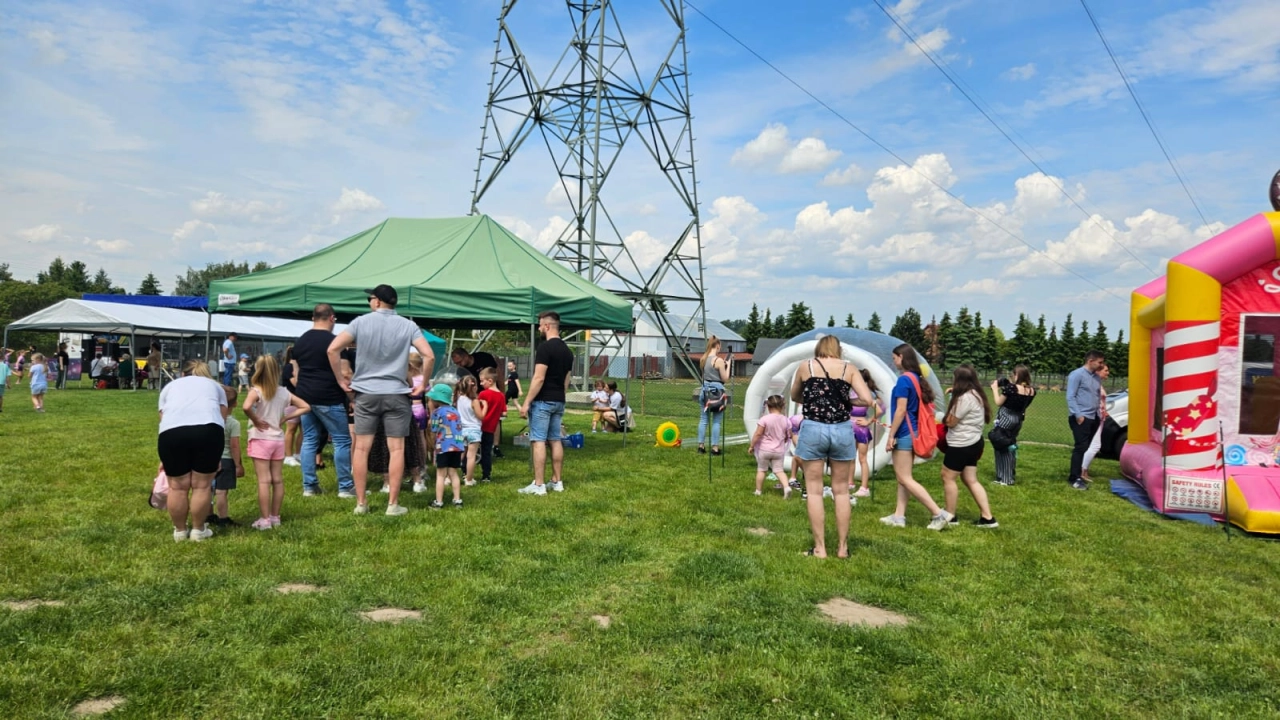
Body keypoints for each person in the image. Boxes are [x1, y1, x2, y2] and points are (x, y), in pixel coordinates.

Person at [327, 284, 435, 516]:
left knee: (361, 449)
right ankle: (393, 504)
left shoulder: (360, 322)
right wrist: (423, 384)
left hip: (365, 394)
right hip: (397, 394)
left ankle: (361, 503)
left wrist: (340, 380)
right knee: (396, 449)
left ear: (377, 302)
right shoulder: (408, 325)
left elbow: (332, 349)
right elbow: (429, 355)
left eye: (370, 299)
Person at [790, 335, 876, 558]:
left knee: (815, 491)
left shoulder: (806, 366)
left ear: (818, 348)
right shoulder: (849, 368)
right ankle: (842, 548)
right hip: (841, 429)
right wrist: (848, 401)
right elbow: (867, 399)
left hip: (813, 429)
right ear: (838, 350)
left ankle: (820, 548)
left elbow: (795, 395)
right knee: (841, 491)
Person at [880, 344, 952, 531]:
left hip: (904, 433)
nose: (893, 361)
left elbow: (901, 410)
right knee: (903, 477)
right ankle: (899, 516)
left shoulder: (904, 380)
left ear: (902, 357)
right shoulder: (916, 378)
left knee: (904, 478)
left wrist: (891, 434)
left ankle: (938, 513)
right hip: (913, 433)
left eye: (894, 358)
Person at [158, 360, 227, 542]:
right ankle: (198, 530)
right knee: (201, 485)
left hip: (171, 433)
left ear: (183, 374)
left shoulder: (170, 387)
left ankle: (180, 532)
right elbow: (222, 416)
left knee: (177, 486)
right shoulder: (215, 387)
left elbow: (163, 418)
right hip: (208, 429)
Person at [293, 304, 356, 499]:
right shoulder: (335, 342)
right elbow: (346, 373)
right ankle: (345, 487)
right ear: (332, 318)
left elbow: (295, 374)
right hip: (329, 396)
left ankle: (309, 486)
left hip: (304, 397)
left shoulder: (300, 341)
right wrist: (353, 396)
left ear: (313, 317)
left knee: (310, 440)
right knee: (342, 440)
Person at [243, 354, 311, 530]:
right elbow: (305, 406)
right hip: (277, 439)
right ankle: (275, 517)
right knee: (278, 480)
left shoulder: (256, 390)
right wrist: (286, 417)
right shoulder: (283, 392)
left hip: (260, 438)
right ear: (277, 370)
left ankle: (264, 520)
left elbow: (245, 407)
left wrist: (256, 420)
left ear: (258, 369)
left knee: (264, 481)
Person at [519, 311, 573, 496]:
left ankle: (539, 485)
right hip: (559, 400)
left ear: (548, 326)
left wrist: (526, 402)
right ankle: (557, 481)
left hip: (543, 401)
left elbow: (539, 378)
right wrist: (561, 394)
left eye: (541, 325)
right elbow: (567, 378)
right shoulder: (567, 350)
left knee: (538, 441)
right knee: (555, 439)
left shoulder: (545, 348)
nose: (540, 328)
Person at [939, 364, 997, 528]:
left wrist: (943, 419)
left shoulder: (964, 398)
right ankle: (988, 518)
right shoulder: (977, 394)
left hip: (961, 444)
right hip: (974, 442)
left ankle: (950, 516)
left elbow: (951, 422)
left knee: (947, 476)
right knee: (970, 479)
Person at [1066, 350, 1106, 490]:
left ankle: (1079, 473)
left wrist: (1099, 414)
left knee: (1085, 447)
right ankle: (1074, 478)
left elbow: (1095, 396)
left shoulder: (1096, 377)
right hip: (1081, 418)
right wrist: (1078, 415)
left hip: (1093, 417)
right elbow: (1070, 396)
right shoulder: (1077, 375)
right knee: (1080, 447)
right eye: (1099, 362)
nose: (1102, 365)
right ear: (1090, 361)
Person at [990, 365, 1036, 486]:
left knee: (1001, 446)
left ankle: (1005, 478)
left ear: (1017, 375)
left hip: (1006, 419)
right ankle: (1008, 474)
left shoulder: (1011, 388)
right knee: (1010, 446)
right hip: (1017, 420)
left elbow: (998, 402)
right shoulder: (1031, 391)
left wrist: (995, 389)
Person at [426, 382, 465, 509]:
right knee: (453, 473)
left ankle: (438, 502)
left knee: (441, 475)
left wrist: (431, 413)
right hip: (457, 446)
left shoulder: (437, 412)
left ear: (436, 400)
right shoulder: (455, 411)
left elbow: (434, 428)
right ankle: (457, 500)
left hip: (443, 447)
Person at [211, 384, 244, 527]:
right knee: (221, 491)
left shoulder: (211, 419)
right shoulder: (233, 423)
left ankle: (208, 515)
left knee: (207, 489)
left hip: (210, 458)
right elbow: (234, 446)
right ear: (235, 403)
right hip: (226, 460)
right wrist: (238, 465)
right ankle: (223, 518)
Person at [749, 394, 793, 498]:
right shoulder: (786, 420)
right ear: (782, 406)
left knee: (761, 470)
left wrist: (752, 445)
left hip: (764, 450)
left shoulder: (765, 419)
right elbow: (789, 435)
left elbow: (758, 434)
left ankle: (758, 491)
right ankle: (786, 487)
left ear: (768, 406)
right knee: (779, 471)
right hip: (779, 451)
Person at [852, 369, 883, 498]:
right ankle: (850, 482)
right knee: (850, 457)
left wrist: (868, 421)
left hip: (860, 429)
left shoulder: (867, 394)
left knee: (862, 458)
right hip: (850, 428)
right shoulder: (852, 392)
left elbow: (879, 410)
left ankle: (864, 488)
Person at [697, 336, 730, 455]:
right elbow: (725, 378)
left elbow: (702, 377)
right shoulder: (719, 361)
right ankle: (715, 448)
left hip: (704, 392)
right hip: (717, 394)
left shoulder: (703, 359)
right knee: (716, 421)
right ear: (717, 346)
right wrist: (729, 365)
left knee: (703, 419)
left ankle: (701, 446)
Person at [455, 375, 487, 486]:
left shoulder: (458, 398)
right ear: (474, 387)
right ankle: (469, 479)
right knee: (471, 456)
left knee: (460, 455)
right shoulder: (474, 401)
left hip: (461, 430)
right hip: (474, 430)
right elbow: (481, 416)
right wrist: (485, 406)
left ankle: (450, 476)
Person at [1082, 363, 1111, 481]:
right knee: (1095, 445)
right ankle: (1082, 470)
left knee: (1092, 445)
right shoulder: (1094, 384)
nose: (1107, 373)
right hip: (1095, 417)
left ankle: (1084, 470)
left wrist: (1104, 411)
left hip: (1100, 417)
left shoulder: (1098, 384)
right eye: (1106, 370)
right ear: (1098, 371)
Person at [477, 368, 507, 483]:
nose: (481, 384)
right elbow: (504, 412)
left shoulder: (483, 394)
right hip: (491, 428)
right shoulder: (501, 396)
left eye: (482, 381)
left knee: (472, 450)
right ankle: (486, 475)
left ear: (490, 381)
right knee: (487, 452)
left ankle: (466, 472)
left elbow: (477, 410)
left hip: (479, 425)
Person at [281, 345, 303, 466]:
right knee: (291, 429)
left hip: (302, 402)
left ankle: (298, 453)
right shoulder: (289, 368)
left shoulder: (299, 367)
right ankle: (288, 456)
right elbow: (296, 383)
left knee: (303, 430)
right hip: (291, 402)